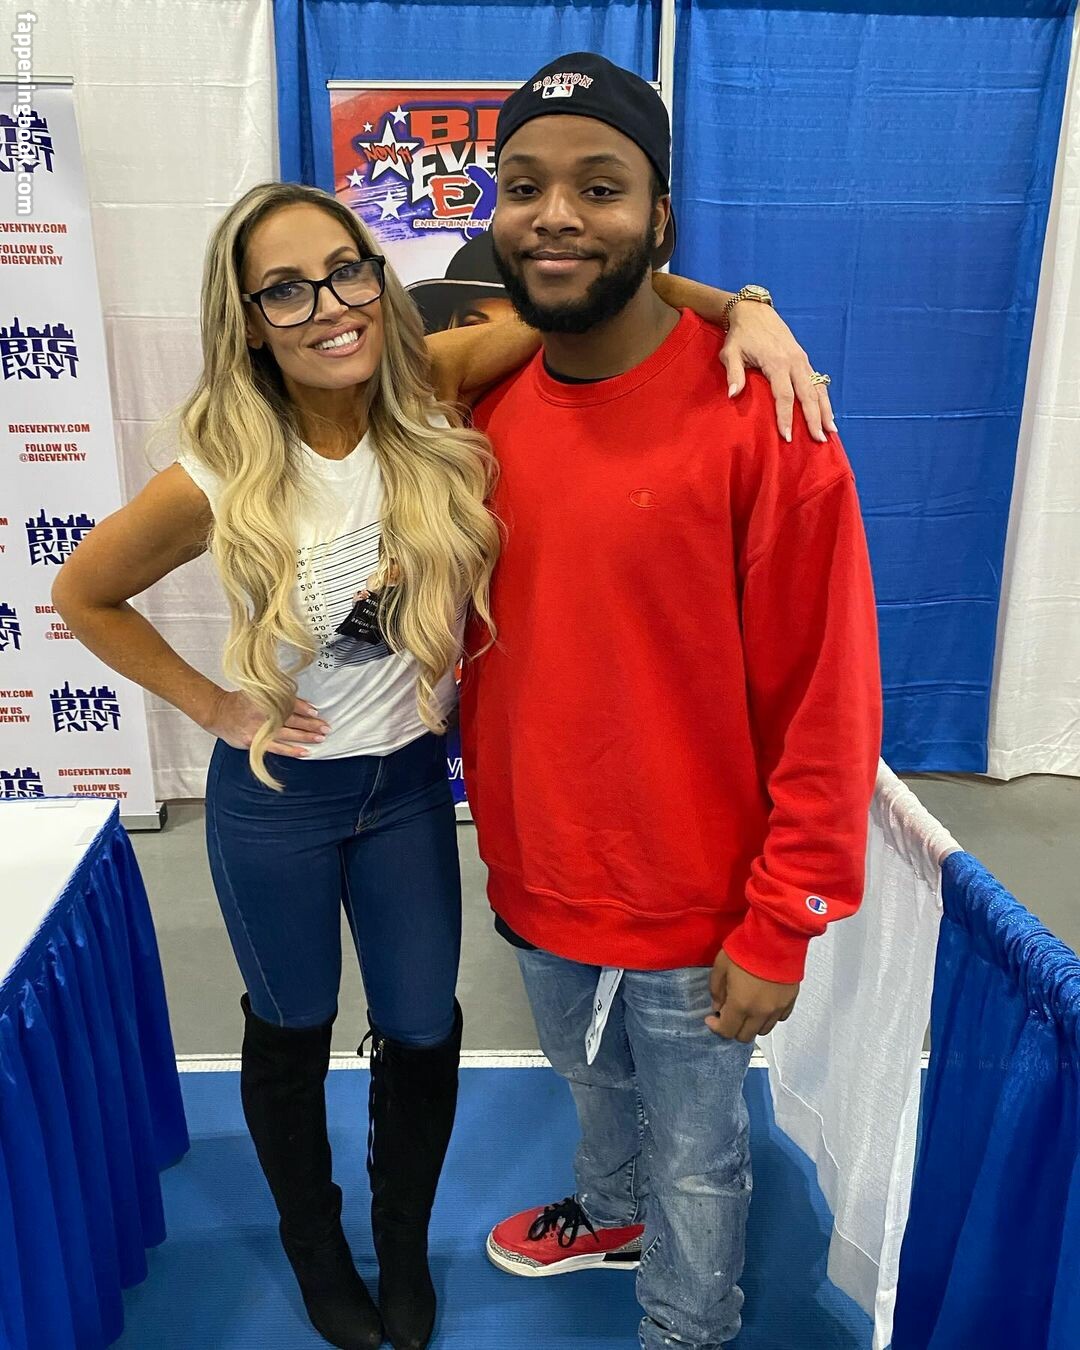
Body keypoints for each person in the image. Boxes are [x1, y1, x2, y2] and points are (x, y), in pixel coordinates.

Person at [51, 177, 829, 1350]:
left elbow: (592, 294)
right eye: (285, 291)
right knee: (292, 1027)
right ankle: (319, 1250)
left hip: (408, 787)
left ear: (377, 278)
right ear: (248, 320)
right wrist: (212, 704)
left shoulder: (428, 384)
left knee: (421, 1028)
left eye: (345, 272)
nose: (328, 307)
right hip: (279, 802)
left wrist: (744, 307)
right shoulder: (217, 469)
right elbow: (84, 593)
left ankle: (402, 1246)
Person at [458, 53, 883, 1350]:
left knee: (702, 1157)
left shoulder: (766, 417)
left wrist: (787, 917)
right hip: (539, 872)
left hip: (698, 901)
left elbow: (828, 695)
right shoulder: (474, 403)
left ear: (660, 219)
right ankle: (609, 1207)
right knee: (593, 1089)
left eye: (601, 187)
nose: (557, 215)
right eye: (525, 185)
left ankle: (687, 1327)